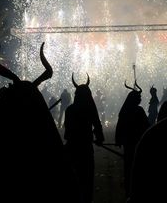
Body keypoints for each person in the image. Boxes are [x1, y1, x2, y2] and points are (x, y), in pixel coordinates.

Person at [64, 74, 105, 203]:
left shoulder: (70, 110)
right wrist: (99, 138)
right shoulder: (90, 108)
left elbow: (67, 132)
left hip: (71, 148)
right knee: (87, 179)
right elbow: (97, 124)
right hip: (86, 148)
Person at [115, 81, 150, 199]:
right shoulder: (139, 110)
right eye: (138, 97)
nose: (140, 99)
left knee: (128, 165)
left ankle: (129, 189)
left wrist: (118, 139)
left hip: (128, 142)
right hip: (138, 142)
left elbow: (119, 126)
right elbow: (147, 126)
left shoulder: (124, 110)